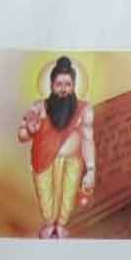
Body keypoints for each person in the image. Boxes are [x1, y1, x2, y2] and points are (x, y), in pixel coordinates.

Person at [18, 55, 98, 239]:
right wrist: (30, 129)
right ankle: (49, 223)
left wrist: (91, 169)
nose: (63, 89)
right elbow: (21, 136)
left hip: (73, 161)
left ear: (74, 86)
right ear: (51, 85)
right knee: (46, 201)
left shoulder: (84, 109)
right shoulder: (38, 107)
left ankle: (61, 225)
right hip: (43, 159)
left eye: (68, 84)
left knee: (68, 197)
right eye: (59, 84)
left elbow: (87, 139)